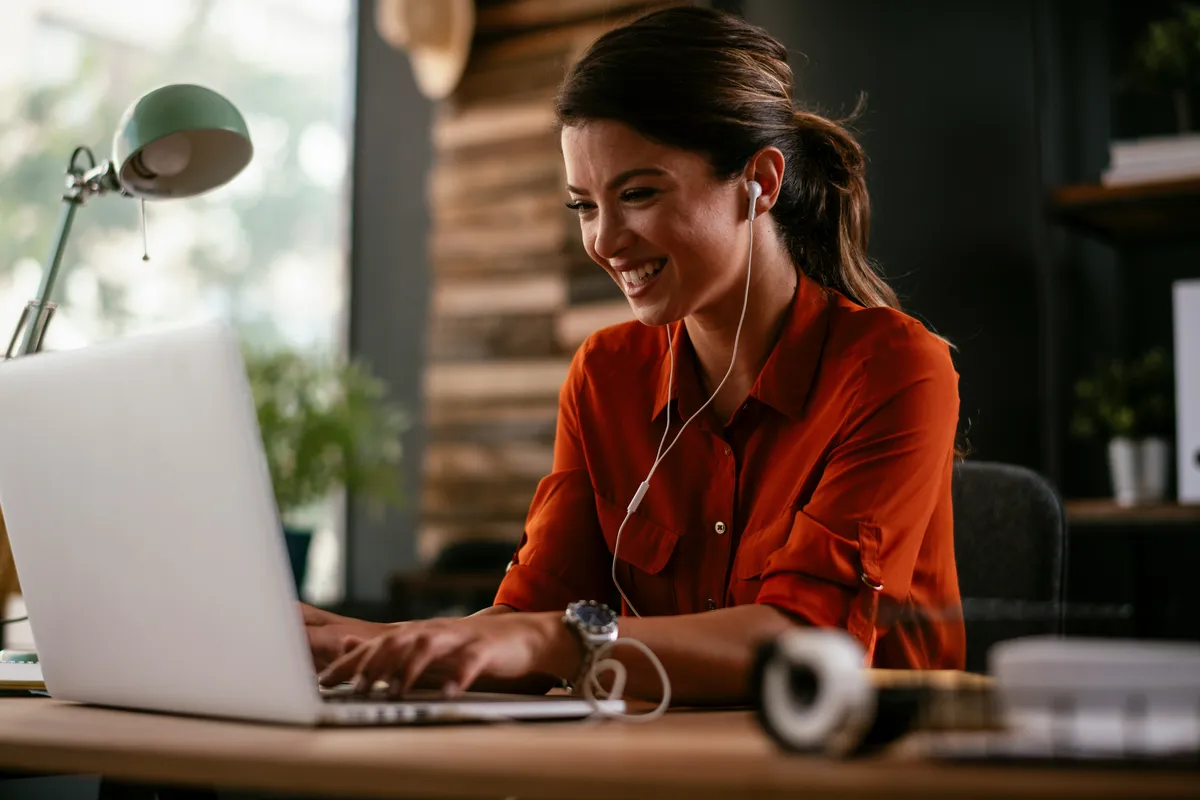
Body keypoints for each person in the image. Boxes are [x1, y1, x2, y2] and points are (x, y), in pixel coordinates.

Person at [312, 6, 965, 705]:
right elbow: (530, 621)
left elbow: (807, 646)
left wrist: (554, 641)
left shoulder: (895, 368)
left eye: (639, 193)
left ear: (762, 182)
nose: (605, 240)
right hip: (665, 763)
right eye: (585, 206)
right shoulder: (606, 375)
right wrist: (356, 642)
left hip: (859, 769)